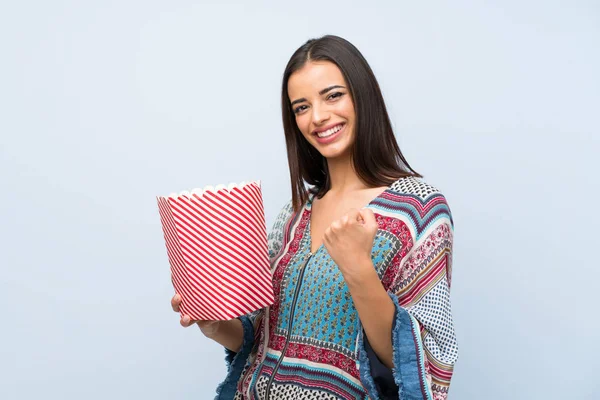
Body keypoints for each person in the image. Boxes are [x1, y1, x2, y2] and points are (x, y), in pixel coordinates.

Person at [171, 34, 458, 400]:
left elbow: (418, 364)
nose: (318, 117)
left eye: (333, 95)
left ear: (363, 96)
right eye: (301, 107)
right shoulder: (292, 217)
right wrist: (212, 323)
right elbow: (260, 335)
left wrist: (358, 267)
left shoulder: (418, 210)